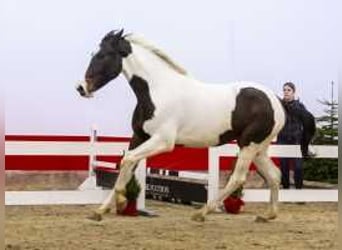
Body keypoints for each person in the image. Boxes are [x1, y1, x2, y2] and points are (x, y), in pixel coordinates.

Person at [277, 82, 315, 189]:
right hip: (282, 139)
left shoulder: (300, 106)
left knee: (298, 167)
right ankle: (286, 190)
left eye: (288, 90)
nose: (286, 92)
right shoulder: (279, 106)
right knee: (284, 167)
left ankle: (299, 192)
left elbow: (307, 122)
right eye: (284, 90)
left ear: (294, 92)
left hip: (297, 140)